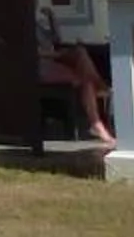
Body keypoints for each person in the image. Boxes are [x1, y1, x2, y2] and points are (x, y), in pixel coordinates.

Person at [37, 9, 114, 144]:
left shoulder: (37, 25)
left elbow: (55, 40)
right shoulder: (22, 26)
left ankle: (97, 125)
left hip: (55, 59)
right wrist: (58, 55)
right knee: (83, 68)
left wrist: (52, 18)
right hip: (42, 65)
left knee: (81, 54)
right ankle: (100, 89)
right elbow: (34, 52)